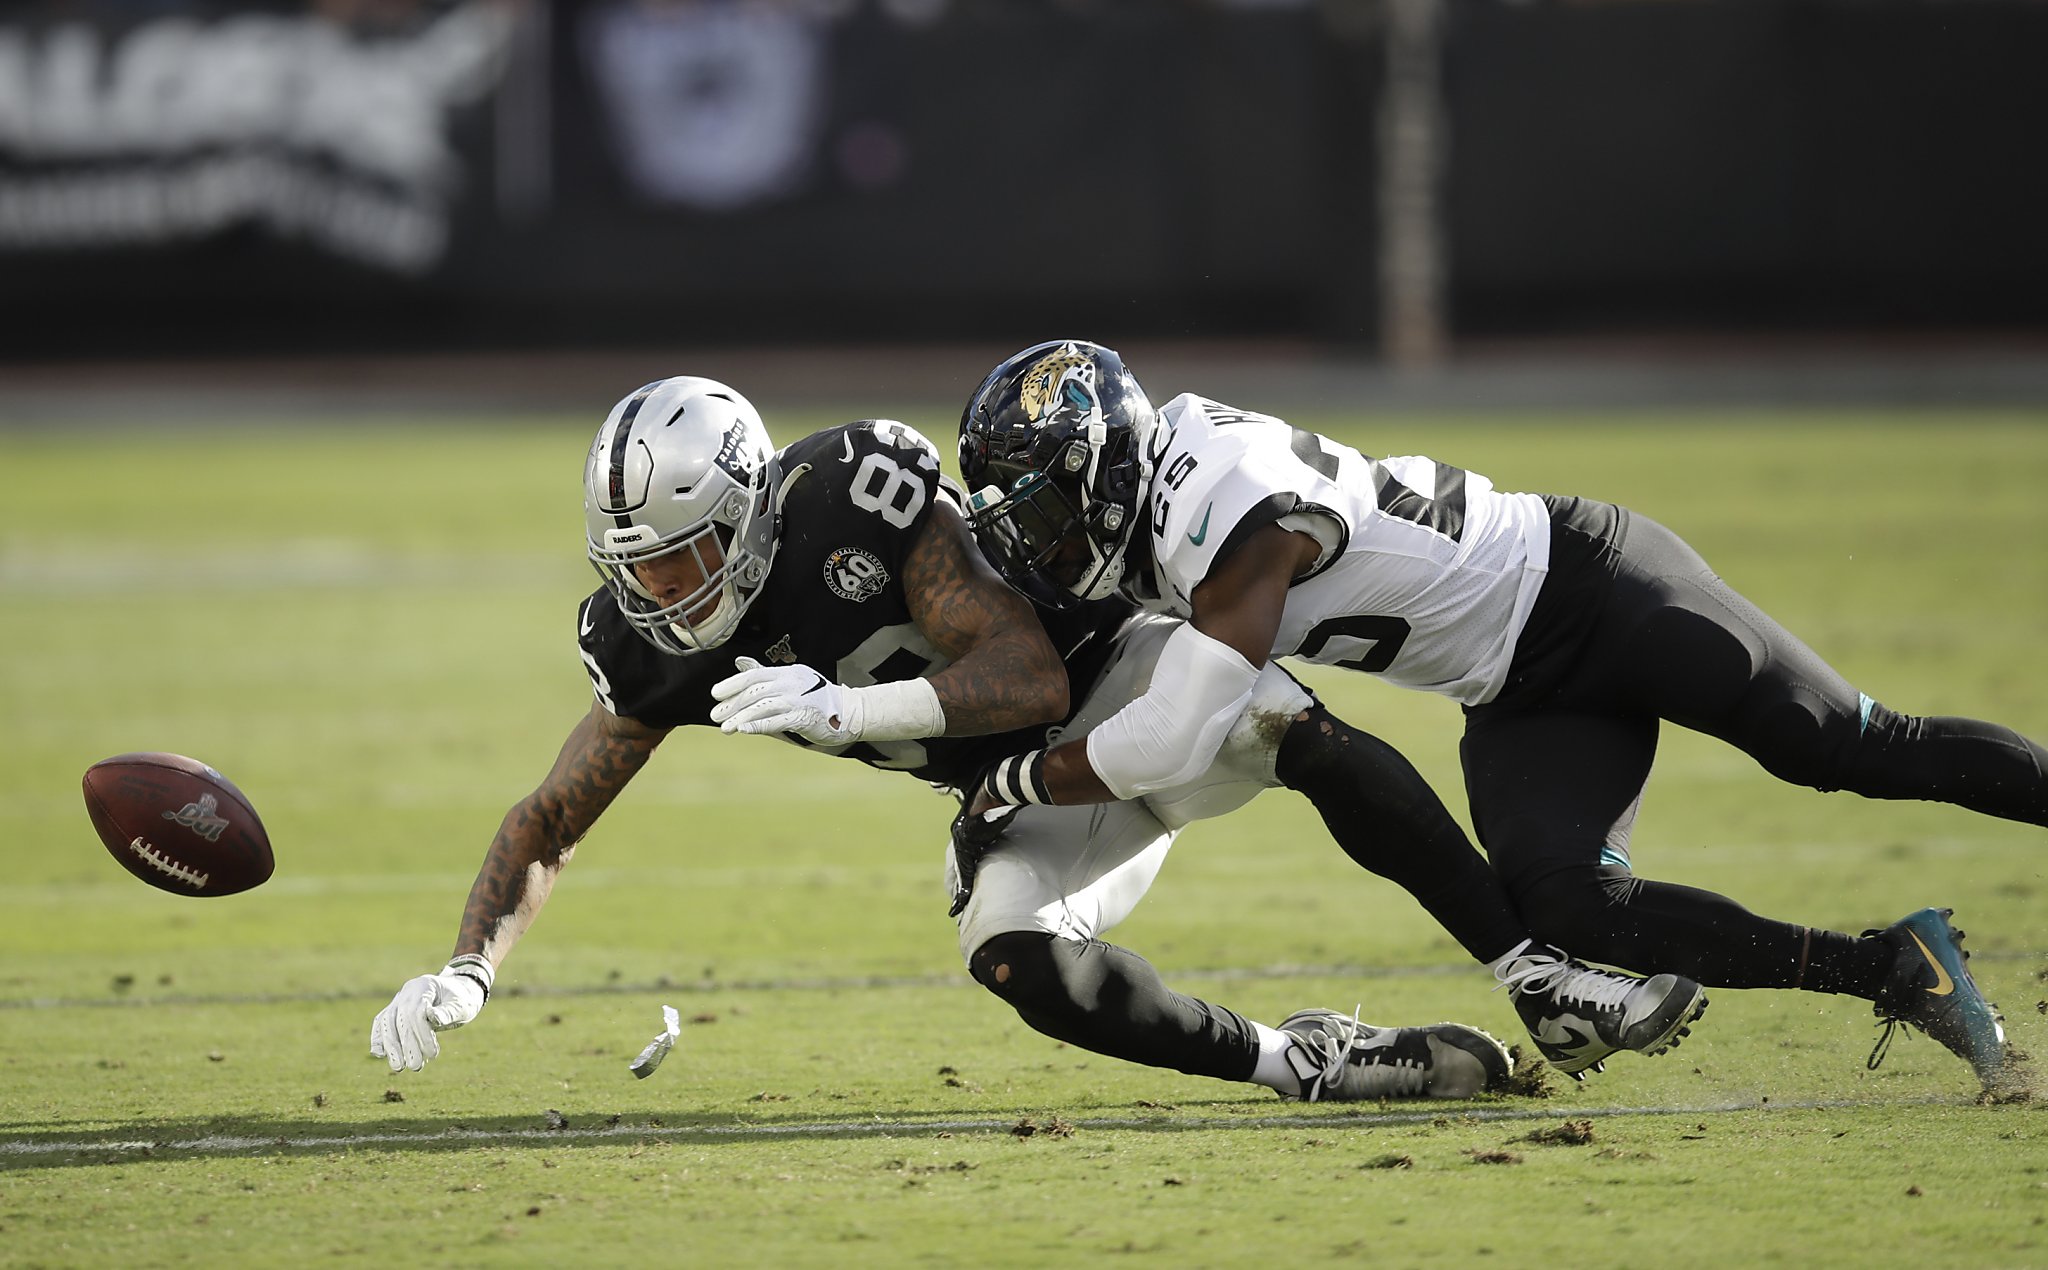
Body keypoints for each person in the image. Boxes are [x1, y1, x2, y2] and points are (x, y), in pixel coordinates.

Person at [369, 376, 1700, 1100]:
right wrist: (469, 966)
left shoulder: (853, 493)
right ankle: (1301, 1062)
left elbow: (1021, 673)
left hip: (1103, 676)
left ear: (754, 505)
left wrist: (845, 709)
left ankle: (1539, 970)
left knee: (1285, 722)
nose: (672, 597)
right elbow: (551, 816)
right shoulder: (649, 635)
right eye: (643, 572)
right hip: (1018, 782)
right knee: (1012, 960)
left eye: (691, 558)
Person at [955, 339, 2040, 1089]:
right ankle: (1894, 967)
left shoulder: (1222, 507)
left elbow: (1169, 737)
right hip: (1513, 691)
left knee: (1842, 747)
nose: (1044, 544)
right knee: (1570, 908)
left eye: (1047, 509)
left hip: (1596, 589)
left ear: (1102, 462)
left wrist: (1013, 783)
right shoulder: (1150, 502)